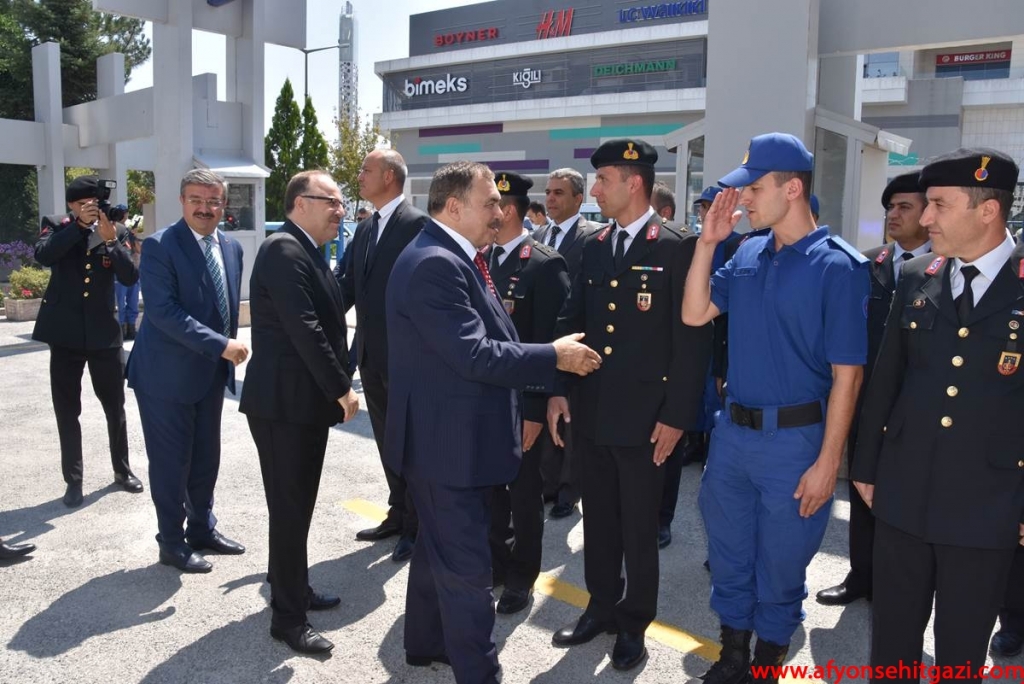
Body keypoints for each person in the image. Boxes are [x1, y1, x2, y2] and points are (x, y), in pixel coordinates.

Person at [383, 161, 600, 684]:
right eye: (490, 203)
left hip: (449, 440)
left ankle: (426, 644)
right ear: (454, 207)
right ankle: (479, 672)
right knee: (468, 572)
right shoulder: (436, 263)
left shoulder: (454, 256)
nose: (501, 213)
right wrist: (553, 356)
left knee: (437, 551)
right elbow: (475, 354)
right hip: (446, 447)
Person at [682, 132, 868, 684]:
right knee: (730, 553)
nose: (742, 199)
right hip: (734, 436)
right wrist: (707, 243)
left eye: (753, 189)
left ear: (792, 189)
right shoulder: (747, 251)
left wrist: (828, 463)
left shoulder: (839, 266)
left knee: (782, 563)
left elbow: (848, 376)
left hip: (795, 442)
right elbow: (694, 314)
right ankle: (733, 653)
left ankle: (767, 659)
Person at [851, 148, 1024, 683]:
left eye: (939, 205)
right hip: (904, 493)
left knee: (960, 655)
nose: (925, 218)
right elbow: (887, 378)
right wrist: (866, 466)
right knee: (892, 647)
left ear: (987, 210)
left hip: (988, 505)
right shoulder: (915, 275)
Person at [548, 139, 712, 671]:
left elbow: (692, 344)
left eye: (603, 180)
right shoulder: (595, 244)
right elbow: (571, 320)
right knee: (599, 520)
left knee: (640, 528)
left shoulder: (676, 247)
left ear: (633, 183)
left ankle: (634, 622)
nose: (595, 190)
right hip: (593, 411)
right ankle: (599, 606)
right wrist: (558, 388)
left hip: (647, 420)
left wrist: (677, 417)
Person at [241, 171, 360, 655]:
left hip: (301, 404)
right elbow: (305, 328)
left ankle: (293, 585)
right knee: (290, 509)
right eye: (331, 201)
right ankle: (287, 618)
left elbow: (332, 315)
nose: (340, 211)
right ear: (300, 203)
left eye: (342, 203)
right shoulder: (284, 250)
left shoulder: (309, 251)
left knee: (296, 506)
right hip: (282, 405)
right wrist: (342, 388)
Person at [816, 172, 930, 607]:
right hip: (867, 399)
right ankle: (861, 574)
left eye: (905, 207)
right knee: (862, 486)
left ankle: (905, 583)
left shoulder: (948, 265)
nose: (893, 215)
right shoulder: (867, 264)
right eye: (890, 208)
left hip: (919, 404)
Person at [126, 169, 248, 574]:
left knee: (205, 458)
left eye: (213, 201)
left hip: (208, 374)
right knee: (171, 463)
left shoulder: (231, 247)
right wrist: (222, 345)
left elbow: (225, 306)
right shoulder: (160, 246)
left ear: (223, 204)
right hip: (165, 377)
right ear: (182, 201)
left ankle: (201, 528)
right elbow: (164, 313)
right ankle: (171, 542)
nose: (205, 208)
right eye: (196, 199)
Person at [336, 149, 430, 563]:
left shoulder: (417, 225)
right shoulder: (365, 228)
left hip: (407, 360)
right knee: (388, 441)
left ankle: (417, 523)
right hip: (371, 357)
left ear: (389, 176)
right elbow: (348, 286)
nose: (359, 176)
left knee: (411, 444)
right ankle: (398, 510)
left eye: (366, 170)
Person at [486, 171, 571, 615]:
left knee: (523, 493)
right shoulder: (478, 259)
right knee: (489, 490)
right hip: (483, 399)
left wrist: (537, 409)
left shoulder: (542, 264)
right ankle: (496, 564)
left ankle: (522, 577)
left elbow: (552, 343)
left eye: (490, 204)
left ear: (507, 210)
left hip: (524, 403)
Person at [32, 175, 142, 508]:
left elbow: (130, 276)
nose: (91, 209)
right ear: (72, 205)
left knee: (115, 407)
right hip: (64, 334)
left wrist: (110, 241)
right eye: (84, 204)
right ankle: (74, 480)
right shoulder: (56, 225)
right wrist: (79, 226)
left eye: (95, 204)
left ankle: (122, 471)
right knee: (67, 409)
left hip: (103, 334)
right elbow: (44, 255)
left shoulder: (115, 229)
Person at [533, 168, 601, 517]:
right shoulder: (538, 234)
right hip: (544, 340)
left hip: (575, 339)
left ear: (578, 198)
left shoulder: (593, 237)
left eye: (559, 193)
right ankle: (547, 482)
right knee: (545, 410)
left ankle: (569, 490)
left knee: (571, 416)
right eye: (548, 192)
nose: (550, 199)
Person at [114, 213, 142, 340]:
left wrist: (134, 236)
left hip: (132, 271)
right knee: (120, 303)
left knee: (132, 301)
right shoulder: (114, 232)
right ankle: (121, 330)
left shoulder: (129, 233)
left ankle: (131, 328)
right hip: (119, 273)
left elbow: (138, 249)